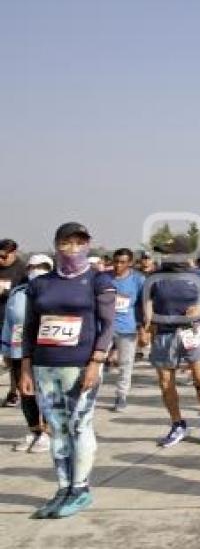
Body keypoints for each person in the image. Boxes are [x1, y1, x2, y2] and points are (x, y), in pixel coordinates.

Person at [20, 222, 117, 518]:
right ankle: (63, 488)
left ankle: (81, 488)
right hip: (44, 364)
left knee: (79, 425)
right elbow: (29, 327)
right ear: (56, 245)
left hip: (81, 365)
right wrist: (25, 367)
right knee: (57, 428)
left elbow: (108, 325)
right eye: (66, 243)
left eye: (79, 243)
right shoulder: (40, 283)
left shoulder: (99, 281)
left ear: (88, 245)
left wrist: (96, 361)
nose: (72, 249)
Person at [144, 236, 200, 447]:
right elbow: (148, 301)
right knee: (165, 383)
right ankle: (177, 424)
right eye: (163, 253)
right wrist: (146, 322)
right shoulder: (154, 277)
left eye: (169, 253)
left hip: (192, 331)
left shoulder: (197, 276)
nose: (164, 257)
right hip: (164, 333)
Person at [1, 254, 53, 453]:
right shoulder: (17, 292)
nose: (36, 270)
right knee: (26, 393)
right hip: (18, 349)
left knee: (46, 392)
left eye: (42, 266)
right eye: (32, 266)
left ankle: (48, 432)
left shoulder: (55, 291)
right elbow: (9, 322)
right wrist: (6, 349)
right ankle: (34, 430)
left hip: (44, 349)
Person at [107, 248, 146, 411]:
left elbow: (143, 305)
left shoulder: (138, 280)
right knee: (96, 361)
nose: (118, 265)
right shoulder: (103, 278)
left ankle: (121, 395)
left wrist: (143, 328)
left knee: (126, 363)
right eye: (115, 261)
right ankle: (88, 394)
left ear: (130, 263)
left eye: (122, 262)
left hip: (127, 328)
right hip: (105, 327)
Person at [0, 238, 27, 407]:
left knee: (12, 358)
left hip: (12, 321)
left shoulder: (22, 270)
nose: (0, 260)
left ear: (13, 253)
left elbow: (26, 292)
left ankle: (13, 391)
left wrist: (6, 291)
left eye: (3, 257)